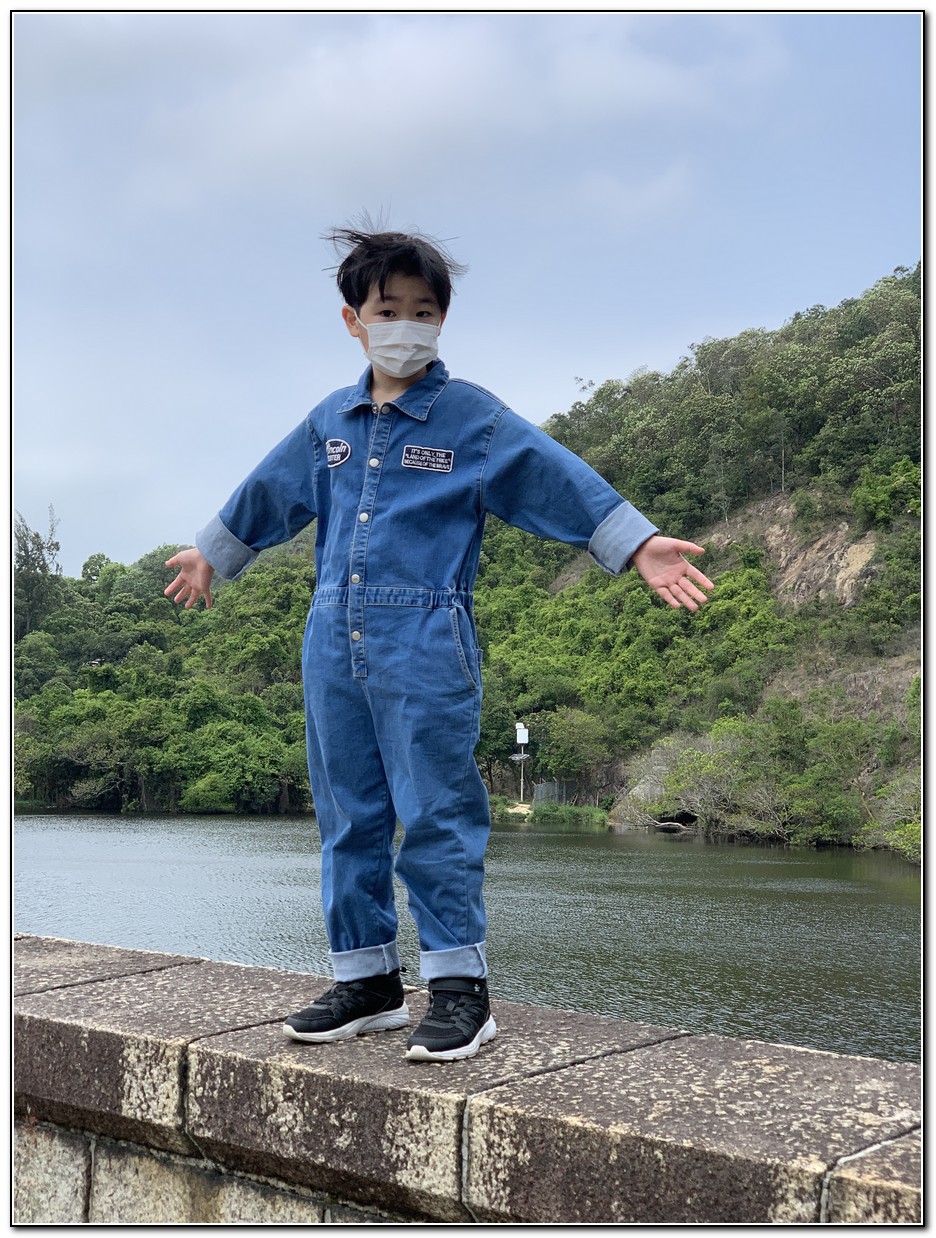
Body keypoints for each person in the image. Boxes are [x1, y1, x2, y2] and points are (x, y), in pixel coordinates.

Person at [165, 226, 714, 1063]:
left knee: (435, 814)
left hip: (426, 634)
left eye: (424, 311)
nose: (407, 326)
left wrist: (635, 542)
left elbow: (554, 476)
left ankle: (461, 991)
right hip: (331, 637)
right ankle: (367, 982)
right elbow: (271, 491)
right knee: (348, 816)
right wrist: (213, 552)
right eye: (389, 309)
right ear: (354, 320)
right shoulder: (330, 422)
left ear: (442, 321)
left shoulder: (471, 418)